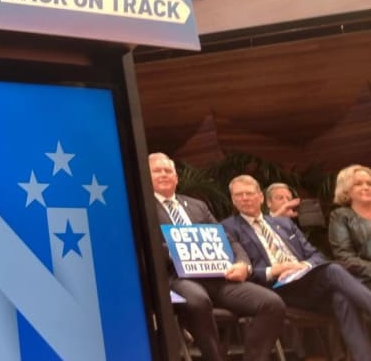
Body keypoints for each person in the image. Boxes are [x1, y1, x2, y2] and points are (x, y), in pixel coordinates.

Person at [147, 154, 283, 361]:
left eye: (168, 171)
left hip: (219, 276)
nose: (164, 174)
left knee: (272, 304)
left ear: (176, 178)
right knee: (198, 301)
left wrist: (242, 264)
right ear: (146, 176)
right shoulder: (143, 208)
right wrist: (182, 248)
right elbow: (145, 247)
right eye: (158, 171)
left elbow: (228, 239)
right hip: (178, 278)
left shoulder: (197, 205)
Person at [222, 174, 371, 360]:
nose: (245, 198)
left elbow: (316, 255)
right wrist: (273, 271)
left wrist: (304, 264)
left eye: (249, 193)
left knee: (341, 298)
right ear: (233, 200)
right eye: (239, 195)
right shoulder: (227, 228)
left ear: (260, 197)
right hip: (274, 287)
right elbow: (237, 269)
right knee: (333, 270)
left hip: (305, 280)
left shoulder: (284, 224)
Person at [328, 164, 371, 288]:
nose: (366, 187)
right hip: (363, 279)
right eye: (358, 184)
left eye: (369, 183)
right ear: (346, 190)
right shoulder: (340, 216)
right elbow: (345, 257)